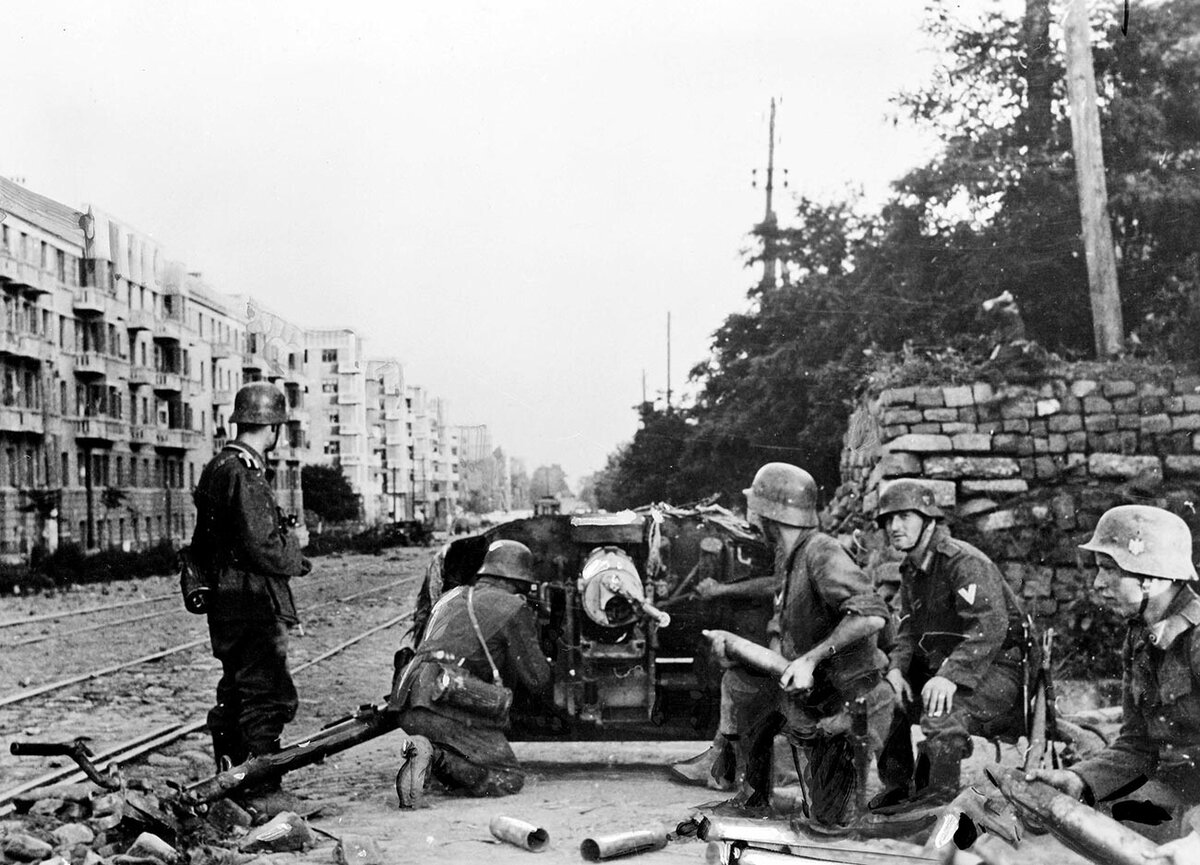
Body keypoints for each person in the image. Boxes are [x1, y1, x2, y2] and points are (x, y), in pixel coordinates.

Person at [708, 462, 894, 826]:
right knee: (743, 683)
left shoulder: (821, 551)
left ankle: (835, 793)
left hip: (845, 702)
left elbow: (872, 615)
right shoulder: (790, 557)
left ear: (768, 513)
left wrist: (810, 659)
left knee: (828, 821)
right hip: (815, 695)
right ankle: (753, 797)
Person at [1028, 505, 1200, 845]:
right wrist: (1078, 779)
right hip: (1178, 789)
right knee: (1072, 814)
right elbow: (1137, 743)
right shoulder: (1140, 637)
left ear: (1150, 578)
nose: (1097, 583)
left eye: (1109, 569)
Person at [190, 381, 311, 811]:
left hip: (225, 602)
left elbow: (201, 545)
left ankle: (230, 779)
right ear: (273, 427)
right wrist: (296, 544)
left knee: (236, 690)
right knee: (267, 694)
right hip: (253, 600)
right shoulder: (245, 473)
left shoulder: (215, 467)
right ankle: (261, 789)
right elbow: (264, 548)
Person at [871, 479, 1026, 811]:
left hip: (998, 669)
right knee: (882, 694)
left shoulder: (962, 562)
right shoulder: (912, 568)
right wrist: (896, 670)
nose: (894, 527)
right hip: (949, 666)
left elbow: (989, 625)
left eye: (904, 517)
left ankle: (938, 803)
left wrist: (950, 676)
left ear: (928, 519)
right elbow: (909, 631)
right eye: (888, 520)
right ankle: (899, 787)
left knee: (943, 707)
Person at [392, 539, 552, 807]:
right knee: (508, 777)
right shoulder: (514, 607)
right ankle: (435, 758)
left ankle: (437, 760)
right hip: (444, 707)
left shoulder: (451, 597)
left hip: (407, 701)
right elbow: (538, 679)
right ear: (520, 582)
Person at [669, 537, 780, 792]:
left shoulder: (791, 543)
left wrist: (720, 590)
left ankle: (727, 768)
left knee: (739, 682)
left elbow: (777, 583)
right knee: (734, 680)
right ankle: (721, 761)